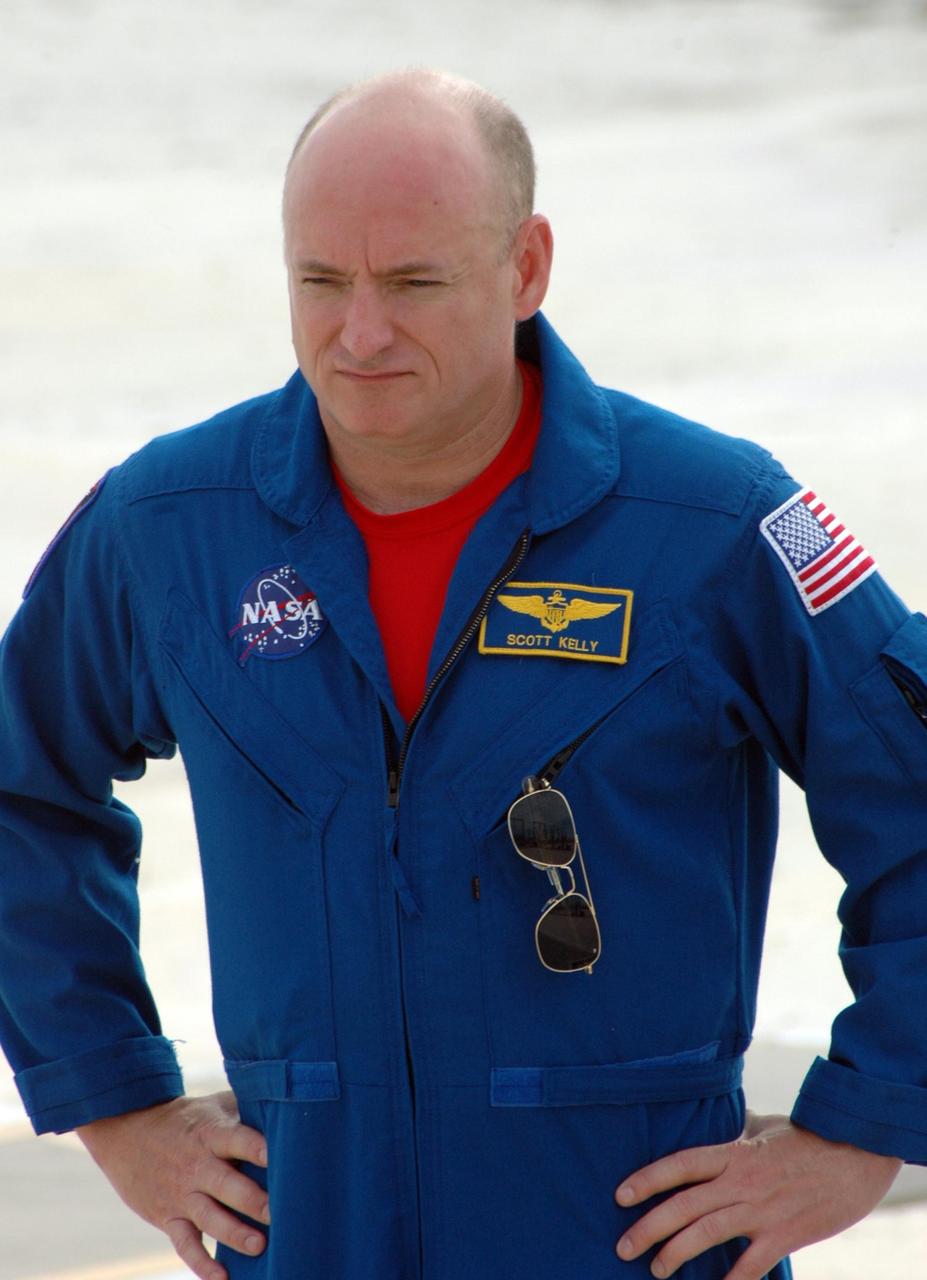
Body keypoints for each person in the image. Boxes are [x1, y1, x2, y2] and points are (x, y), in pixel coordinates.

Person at [0, 69, 925, 1280]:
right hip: (309, 1239)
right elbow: (23, 790)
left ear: (528, 265)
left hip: (628, 1245)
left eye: (414, 282)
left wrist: (860, 1131)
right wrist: (117, 1105)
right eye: (321, 281)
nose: (360, 331)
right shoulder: (168, 528)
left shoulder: (715, 524)